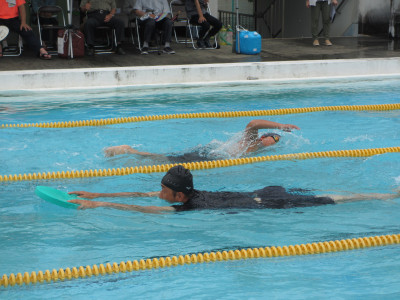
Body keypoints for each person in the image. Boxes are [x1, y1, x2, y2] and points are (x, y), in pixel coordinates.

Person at [69, 165, 400, 214]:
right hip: (260, 191)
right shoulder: (187, 194)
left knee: (330, 200)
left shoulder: (188, 208)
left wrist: (104, 207)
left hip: (267, 203)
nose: (158, 194)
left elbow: (146, 209)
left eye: (164, 192)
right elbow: (143, 197)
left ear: (179, 197)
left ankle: (388, 197)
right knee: (319, 194)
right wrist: (95, 195)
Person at [104, 119, 300, 160]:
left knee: (165, 159)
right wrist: (281, 126)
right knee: (162, 160)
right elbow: (252, 123)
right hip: (210, 156)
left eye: (276, 140)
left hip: (210, 153)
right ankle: (129, 150)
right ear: (264, 136)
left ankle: (130, 152)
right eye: (273, 138)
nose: (273, 141)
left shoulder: (256, 149)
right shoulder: (252, 142)